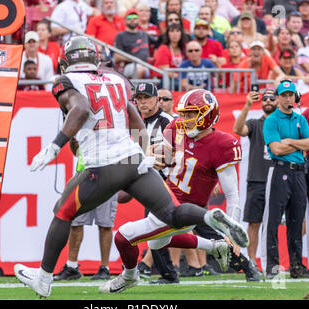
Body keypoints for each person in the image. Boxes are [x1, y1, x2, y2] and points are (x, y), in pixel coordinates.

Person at [13, 36, 249, 297]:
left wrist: (55, 145)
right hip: (133, 160)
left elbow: (79, 110)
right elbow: (134, 117)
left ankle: (44, 278)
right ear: (95, 58)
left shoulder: (66, 82)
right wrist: (141, 151)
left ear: (66, 61)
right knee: (170, 214)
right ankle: (209, 218)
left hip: (102, 164)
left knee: (62, 212)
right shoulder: (114, 79)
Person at [100, 89, 256, 293]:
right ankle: (214, 246)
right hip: (166, 197)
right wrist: (153, 157)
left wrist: (232, 228)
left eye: (191, 114)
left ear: (207, 115)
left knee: (122, 236)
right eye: (183, 114)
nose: (185, 119)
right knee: (156, 244)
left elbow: (232, 194)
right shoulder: (176, 128)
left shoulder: (223, 144)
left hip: (186, 210)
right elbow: (163, 155)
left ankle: (129, 276)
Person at [131, 82, 179, 284]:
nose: (142, 102)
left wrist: (160, 159)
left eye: (146, 98)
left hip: (168, 181)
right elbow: (136, 159)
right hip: (150, 181)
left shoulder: (168, 121)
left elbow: (181, 152)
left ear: (157, 100)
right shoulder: (137, 124)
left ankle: (240, 259)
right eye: (139, 99)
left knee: (197, 226)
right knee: (155, 228)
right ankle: (168, 273)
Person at [262, 79, 309, 279]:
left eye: (291, 95)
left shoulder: (301, 120)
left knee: (296, 221)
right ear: (278, 98)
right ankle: (272, 266)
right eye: (284, 95)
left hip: (299, 172)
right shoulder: (272, 120)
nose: (288, 98)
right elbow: (276, 149)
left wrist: (290, 142)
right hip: (279, 171)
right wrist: (298, 144)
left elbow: (307, 144)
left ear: (294, 97)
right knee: (273, 220)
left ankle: (297, 266)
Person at [53, 149, 118, 281]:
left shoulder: (113, 129)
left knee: (105, 224)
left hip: (108, 177)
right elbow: (75, 149)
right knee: (76, 223)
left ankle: (104, 268)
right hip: (84, 176)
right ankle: (71, 267)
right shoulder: (82, 129)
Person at [233, 89, 277, 266]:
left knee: (287, 222)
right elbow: (238, 129)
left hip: (280, 179)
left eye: (271, 98)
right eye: (264, 98)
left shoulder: (284, 124)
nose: (267, 100)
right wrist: (247, 105)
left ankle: (273, 261)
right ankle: (251, 262)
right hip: (257, 180)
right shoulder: (254, 123)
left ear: (278, 100)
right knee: (254, 223)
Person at [114, 9, 154, 79]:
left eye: (135, 17)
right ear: (125, 20)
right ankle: (136, 90)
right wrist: (133, 59)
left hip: (146, 65)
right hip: (129, 65)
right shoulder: (121, 35)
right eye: (129, 18)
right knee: (140, 70)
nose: (132, 19)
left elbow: (158, 43)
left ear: (138, 20)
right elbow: (116, 56)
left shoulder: (143, 33)